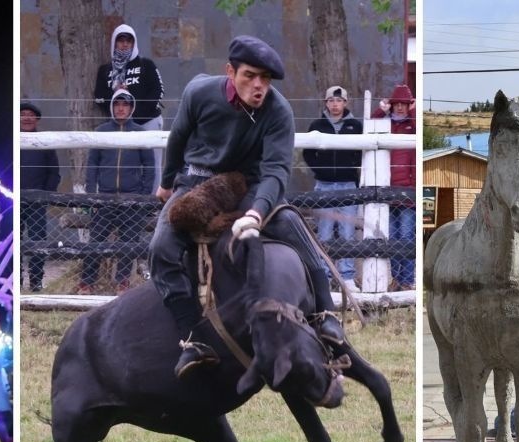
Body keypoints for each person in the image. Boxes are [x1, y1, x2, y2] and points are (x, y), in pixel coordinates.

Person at [150, 35, 345, 379]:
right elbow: (177, 138)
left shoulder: (278, 111)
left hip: (250, 183)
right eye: (250, 76)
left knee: (288, 222)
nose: (259, 86)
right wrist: (167, 184)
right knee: (160, 248)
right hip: (197, 180)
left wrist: (257, 211)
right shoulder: (200, 93)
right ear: (230, 71)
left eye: (265, 79)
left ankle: (325, 315)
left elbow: (276, 172)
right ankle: (192, 340)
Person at [83, 89, 155, 293]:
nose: (121, 108)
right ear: (112, 107)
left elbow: (149, 167)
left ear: (131, 108)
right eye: (117, 104)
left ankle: (122, 283)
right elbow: (92, 165)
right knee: (95, 242)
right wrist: (91, 195)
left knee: (129, 244)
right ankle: (87, 282)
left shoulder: (141, 134)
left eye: (125, 104)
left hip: (132, 199)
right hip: (104, 197)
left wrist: (142, 196)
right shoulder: (101, 131)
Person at [303, 85, 363, 291]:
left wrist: (351, 168)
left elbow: (361, 153)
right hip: (325, 184)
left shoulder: (356, 126)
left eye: (339, 101)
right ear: (326, 103)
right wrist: (321, 170)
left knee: (347, 232)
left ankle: (346, 276)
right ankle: (325, 275)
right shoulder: (316, 125)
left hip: (348, 184)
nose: (335, 104)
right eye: (331, 100)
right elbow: (307, 153)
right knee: (325, 232)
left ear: (345, 103)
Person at [93, 24, 165, 190]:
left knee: (152, 165)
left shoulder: (146, 65)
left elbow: (158, 92)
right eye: (121, 40)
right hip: (118, 126)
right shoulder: (105, 70)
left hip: (148, 123)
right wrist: (116, 96)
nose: (125, 44)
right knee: (119, 166)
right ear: (114, 43)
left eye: (129, 40)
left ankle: (152, 204)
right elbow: (99, 97)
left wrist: (133, 112)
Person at [370, 84, 416, 291]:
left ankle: (406, 280)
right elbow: (370, 124)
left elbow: (419, 125)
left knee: (406, 236)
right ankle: (396, 278)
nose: (400, 108)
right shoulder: (386, 124)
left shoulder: (411, 125)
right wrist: (381, 109)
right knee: (392, 237)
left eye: (404, 105)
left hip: (407, 191)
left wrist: (414, 111)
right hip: (388, 191)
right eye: (396, 104)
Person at [19, 101, 61, 292]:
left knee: (38, 242)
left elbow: (54, 172)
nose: (26, 117)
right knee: (15, 242)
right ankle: (15, 281)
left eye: (30, 114)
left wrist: (45, 194)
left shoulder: (45, 142)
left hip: (37, 200)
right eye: (22, 114)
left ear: (36, 119)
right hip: (14, 200)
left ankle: (36, 280)